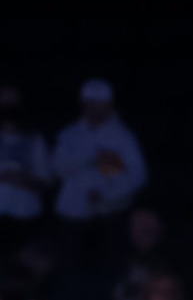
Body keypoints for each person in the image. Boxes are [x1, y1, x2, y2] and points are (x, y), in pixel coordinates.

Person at [50, 79, 147, 223]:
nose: (92, 107)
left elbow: (138, 175)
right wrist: (89, 158)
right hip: (71, 213)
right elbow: (56, 167)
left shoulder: (123, 137)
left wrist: (106, 194)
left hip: (111, 213)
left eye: (98, 102)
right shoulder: (69, 134)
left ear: (109, 105)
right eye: (88, 102)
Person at [0, 84, 52, 230]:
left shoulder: (34, 139)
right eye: (3, 102)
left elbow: (46, 182)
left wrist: (23, 179)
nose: (7, 107)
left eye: (12, 102)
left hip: (25, 215)